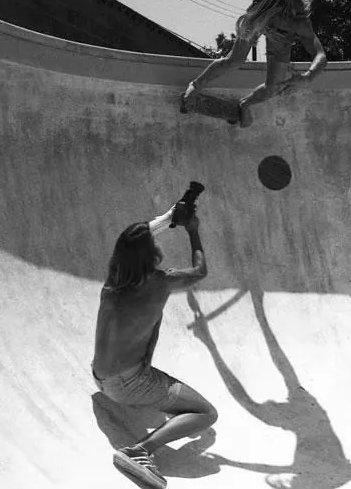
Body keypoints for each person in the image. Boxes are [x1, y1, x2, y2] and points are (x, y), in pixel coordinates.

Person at [92, 205, 215, 489]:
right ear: (152, 254)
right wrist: (192, 230)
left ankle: (153, 425)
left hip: (100, 377)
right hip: (128, 383)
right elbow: (200, 270)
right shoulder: (162, 282)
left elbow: (129, 240)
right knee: (206, 413)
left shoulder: (113, 283)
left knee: (166, 403)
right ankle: (140, 452)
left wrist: (171, 216)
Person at [177, 0, 328, 128]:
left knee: (273, 87)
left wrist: (308, 77)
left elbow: (320, 54)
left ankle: (245, 104)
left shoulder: (298, 22)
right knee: (235, 60)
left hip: (281, 36)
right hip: (256, 19)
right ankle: (195, 85)